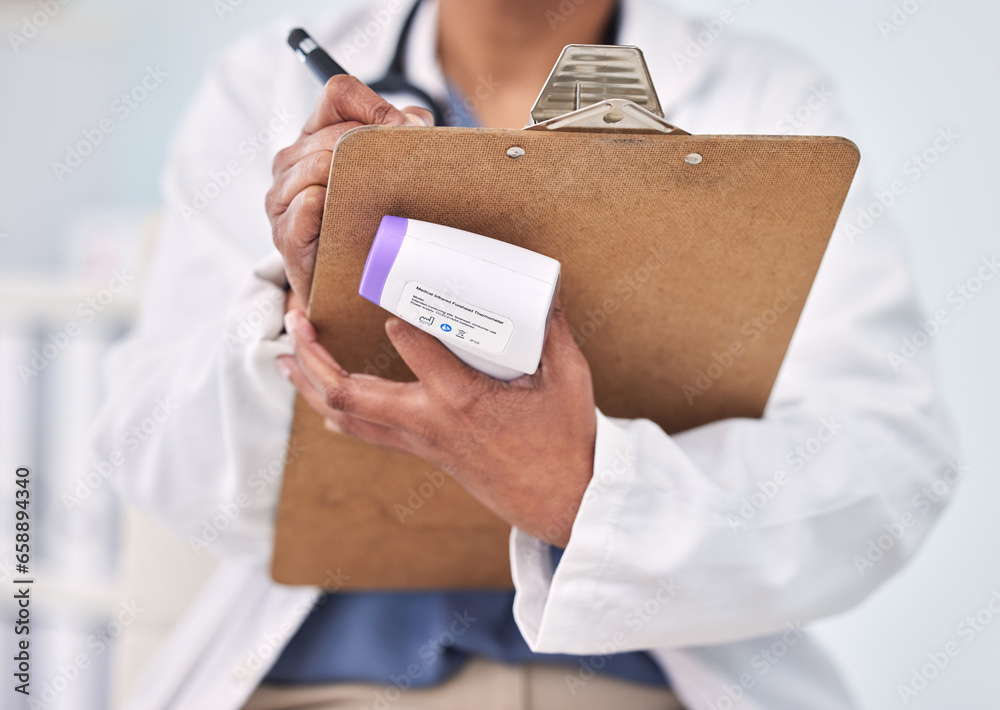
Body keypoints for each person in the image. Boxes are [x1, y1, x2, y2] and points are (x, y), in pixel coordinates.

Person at [92, 0, 958, 708]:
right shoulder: (259, 90)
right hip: (331, 678)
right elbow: (152, 450)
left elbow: (889, 457)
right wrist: (297, 300)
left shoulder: (771, 96)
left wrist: (586, 491)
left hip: (645, 678)